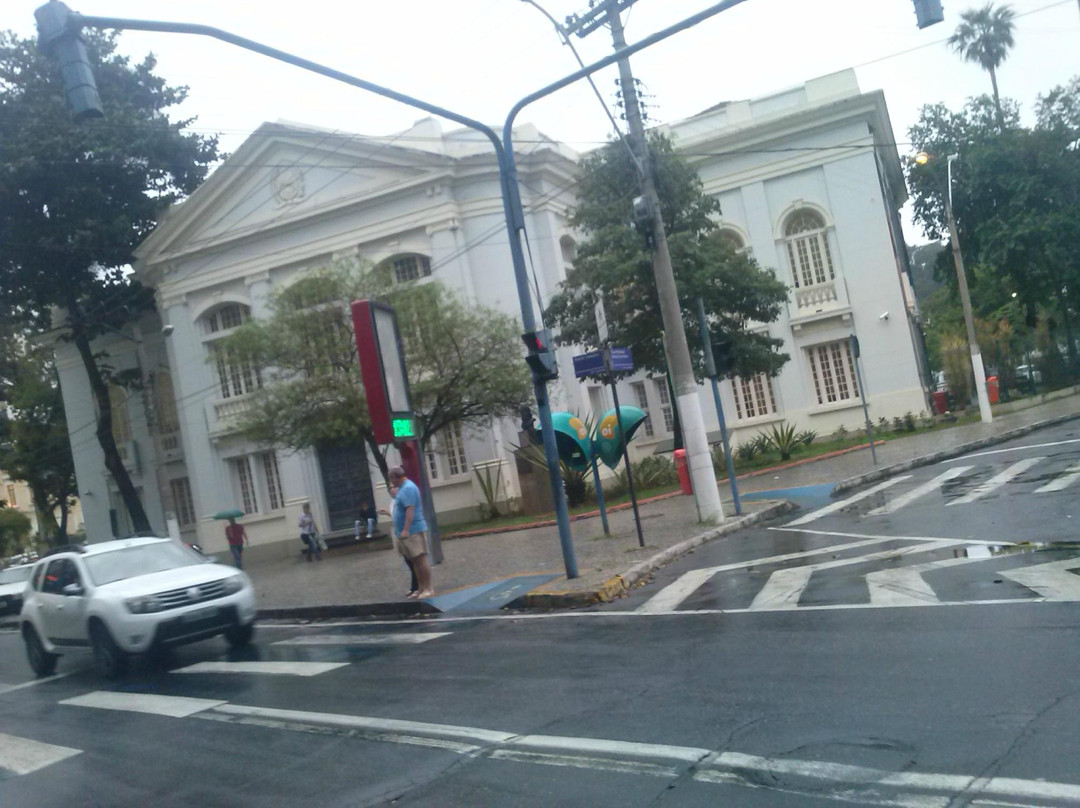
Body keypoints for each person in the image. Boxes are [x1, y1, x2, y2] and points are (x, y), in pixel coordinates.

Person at [387, 466, 433, 599]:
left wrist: (406, 529)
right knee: (415, 561)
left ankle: (428, 587)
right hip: (406, 532)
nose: (392, 484)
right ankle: (420, 588)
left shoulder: (407, 488)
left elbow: (410, 510)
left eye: (391, 479)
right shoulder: (403, 489)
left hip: (413, 530)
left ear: (395, 477)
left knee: (420, 559)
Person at [379, 484, 418, 598]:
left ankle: (417, 587)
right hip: (399, 534)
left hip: (406, 534)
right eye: (390, 488)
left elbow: (407, 515)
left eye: (394, 487)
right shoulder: (393, 502)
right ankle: (414, 587)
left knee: (413, 562)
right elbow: (396, 517)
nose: (392, 490)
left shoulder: (402, 500)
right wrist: (386, 513)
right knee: (408, 561)